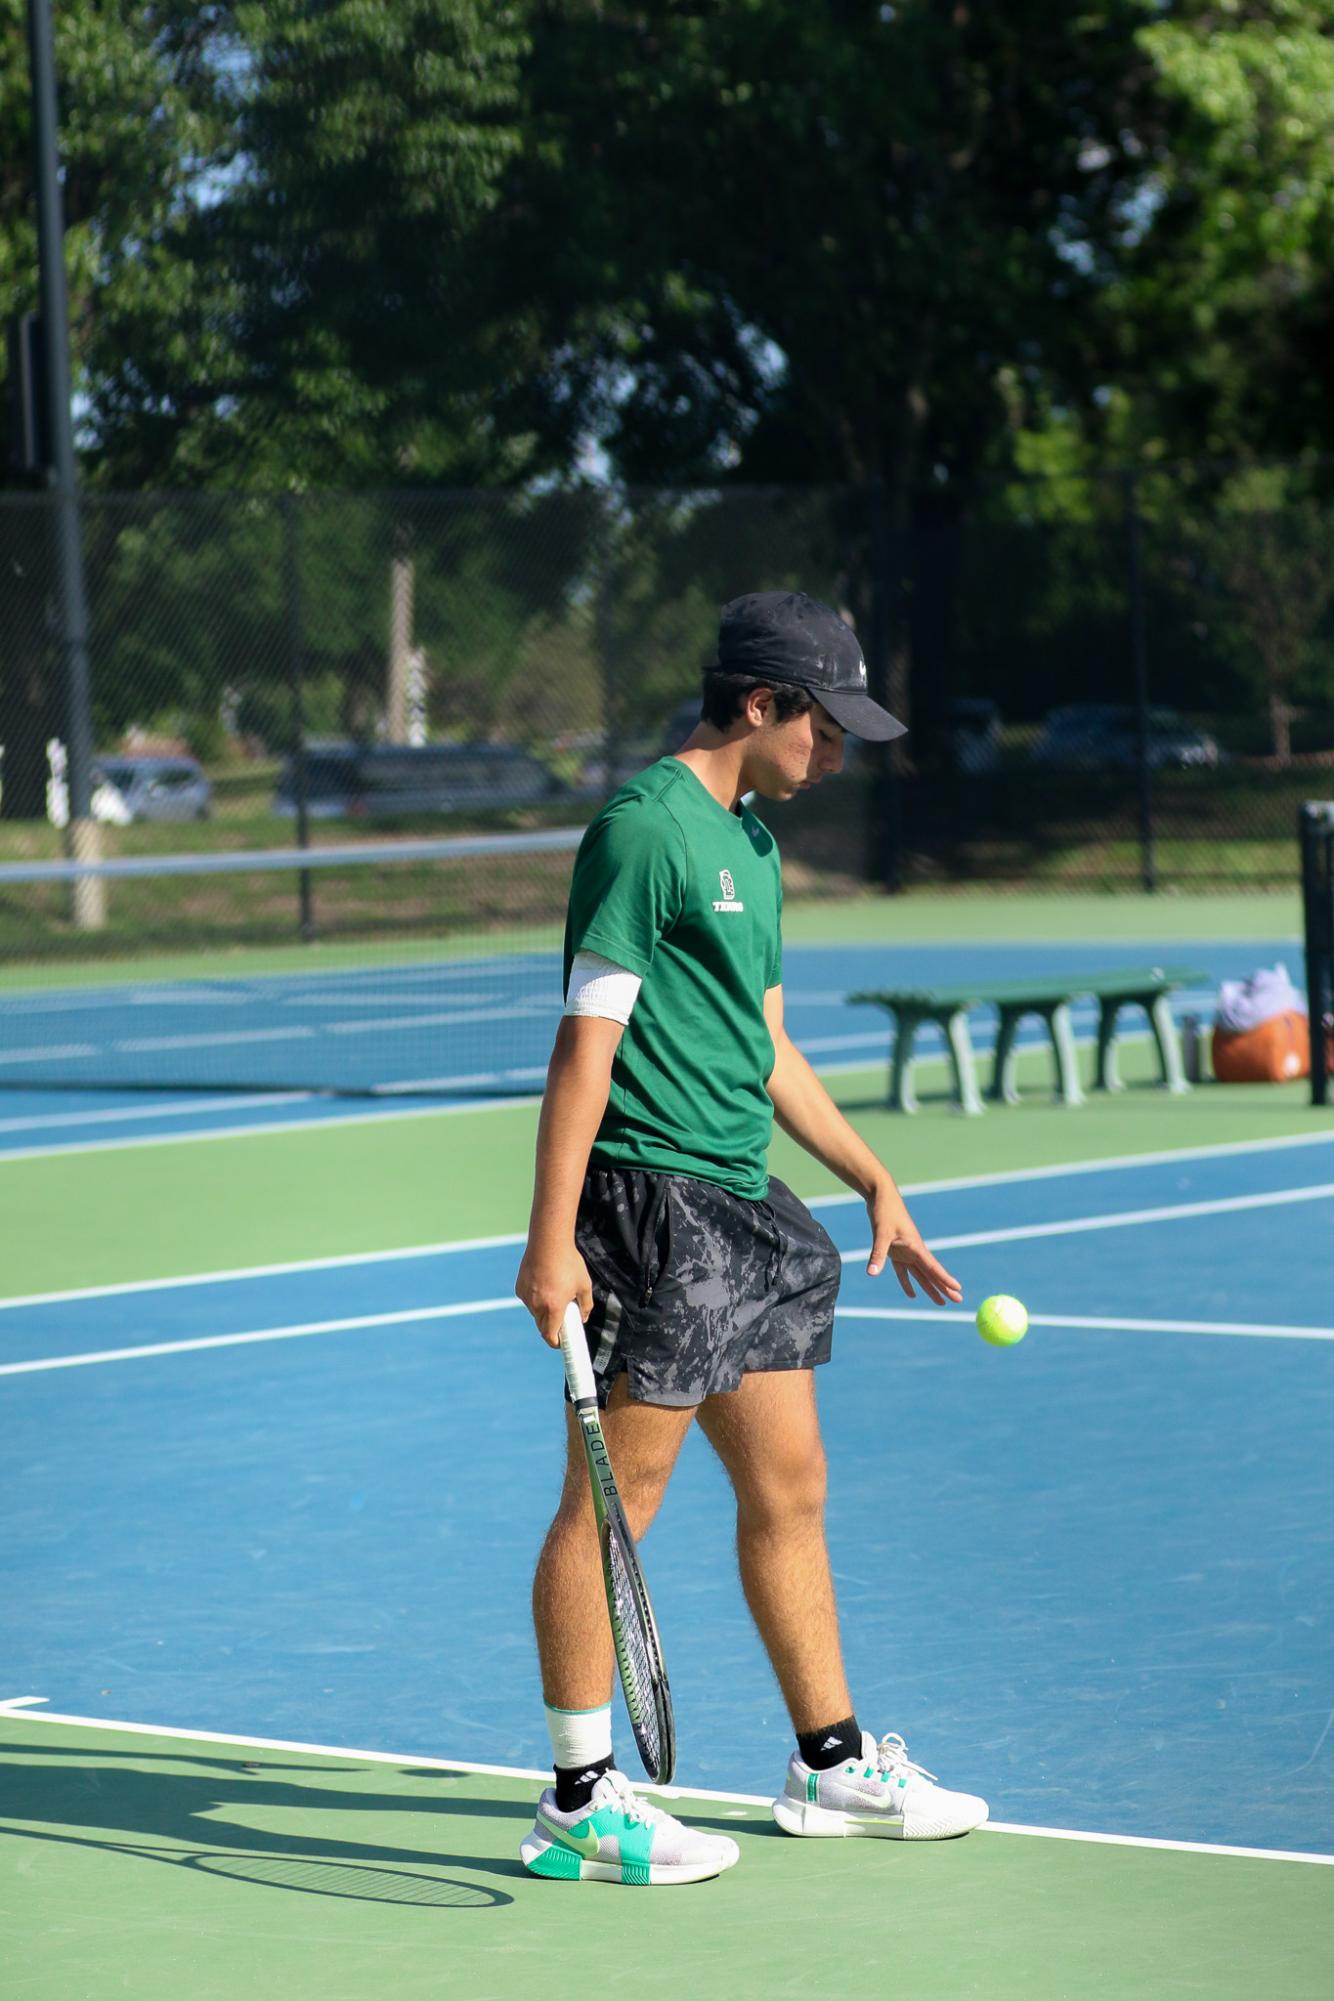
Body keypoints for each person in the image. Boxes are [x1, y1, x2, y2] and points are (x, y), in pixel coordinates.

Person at [514, 591, 987, 1886]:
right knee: (618, 1507)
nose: (837, 755)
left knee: (789, 1487)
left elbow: (763, 1039)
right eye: (826, 729)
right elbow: (585, 1044)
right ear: (764, 704)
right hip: (649, 1206)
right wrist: (549, 1240)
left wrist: (871, 1173)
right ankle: (576, 1796)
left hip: (744, 1203)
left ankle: (827, 1764)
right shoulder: (643, 833)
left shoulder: (753, 845)